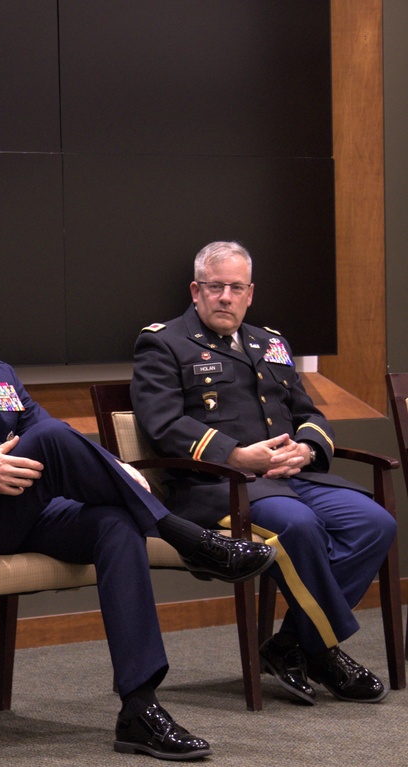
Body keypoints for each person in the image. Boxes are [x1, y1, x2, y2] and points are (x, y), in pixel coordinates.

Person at [0, 241, 277, 761]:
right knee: (54, 442)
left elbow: (43, 426)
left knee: (115, 522)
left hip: (20, 512)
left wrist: (115, 466)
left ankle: (139, 708)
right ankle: (189, 539)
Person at [131, 240, 397, 707]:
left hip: (290, 478)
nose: (226, 297)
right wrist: (237, 456)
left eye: (236, 288)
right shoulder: (162, 342)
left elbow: (307, 412)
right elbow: (164, 425)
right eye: (216, 287)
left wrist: (307, 449)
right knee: (298, 526)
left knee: (374, 522)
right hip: (217, 487)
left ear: (249, 294)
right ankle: (325, 652)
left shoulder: (270, 342)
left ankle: (293, 643)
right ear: (196, 290)